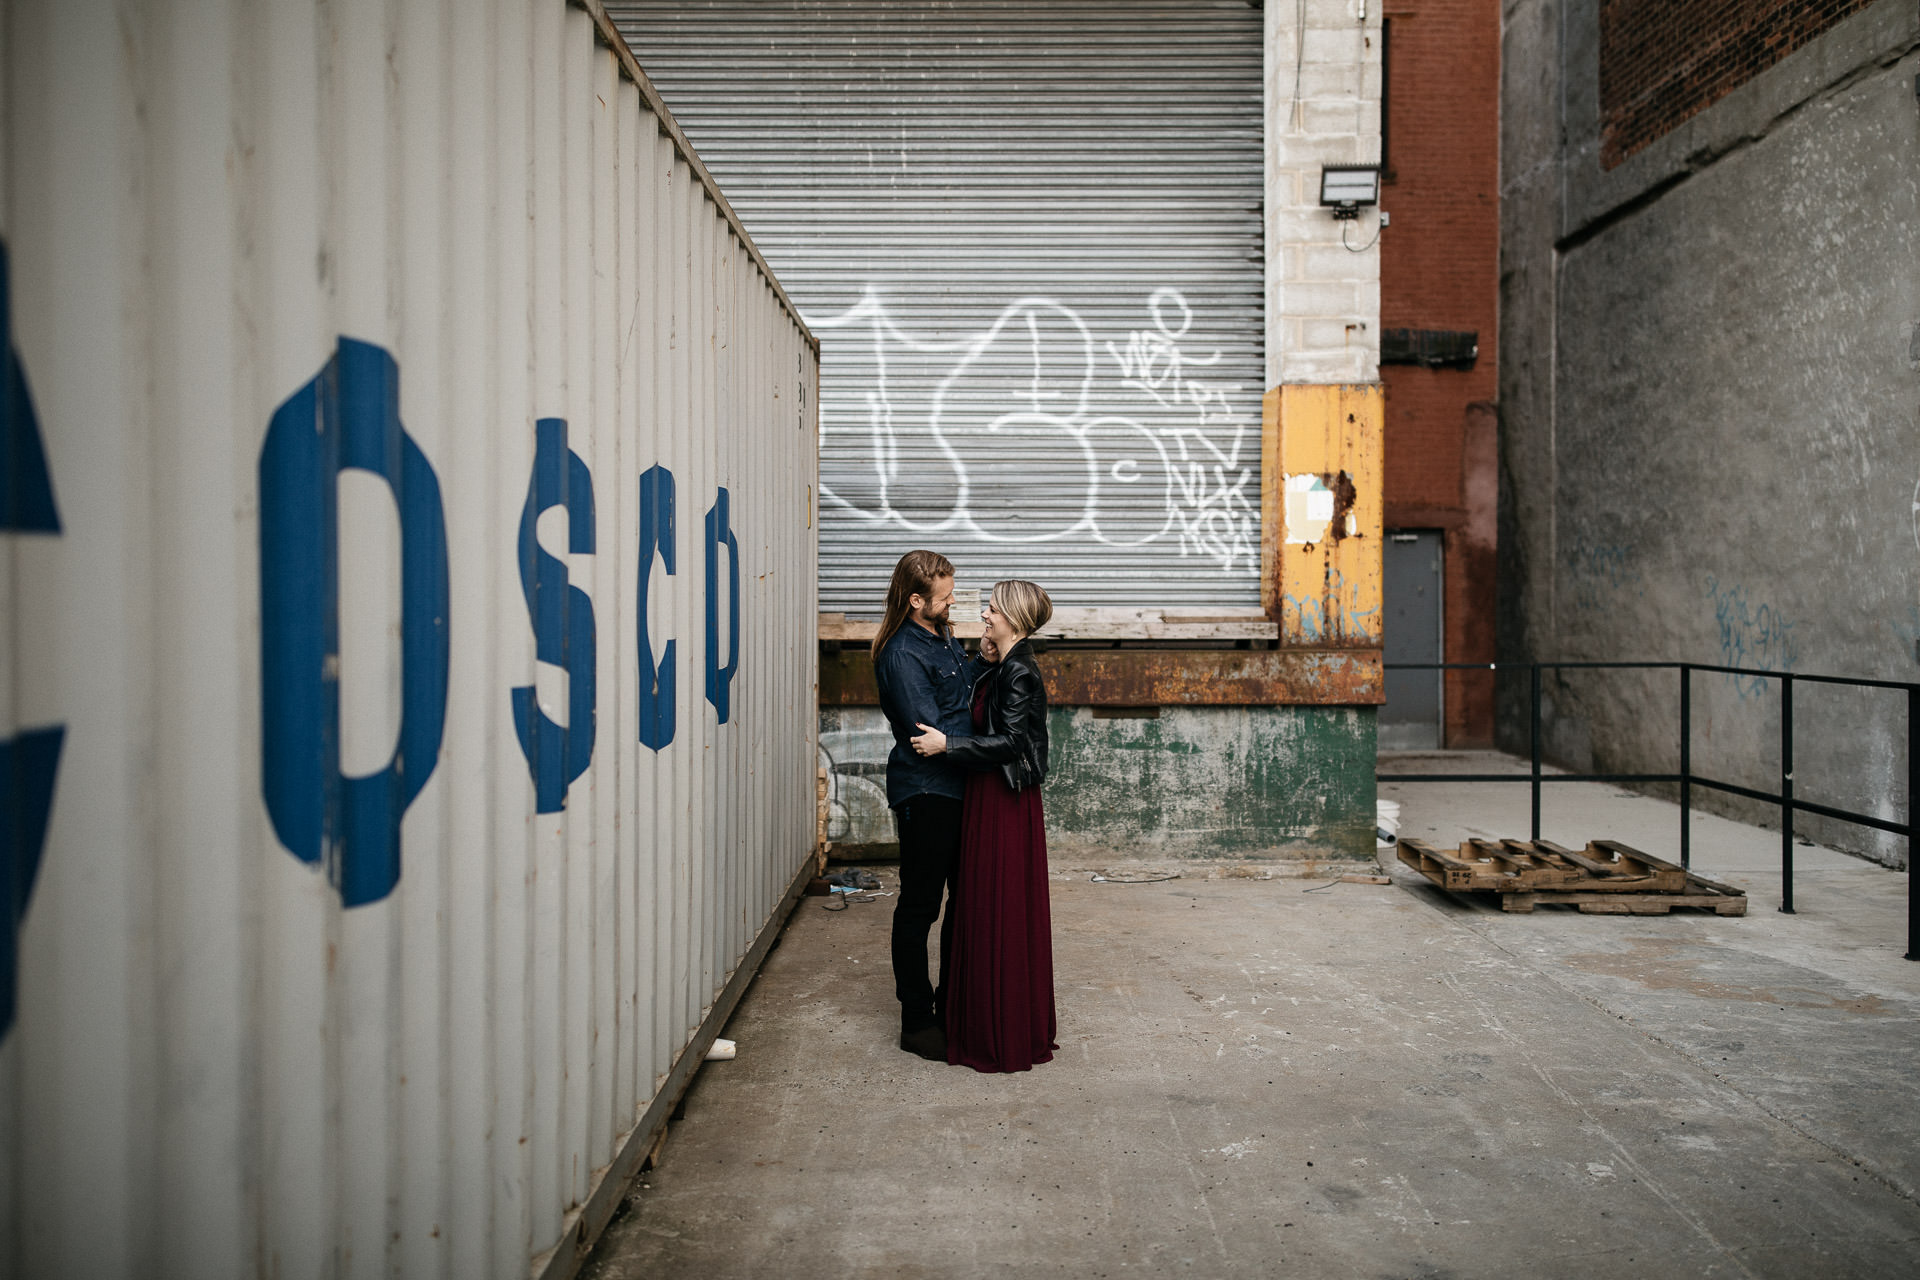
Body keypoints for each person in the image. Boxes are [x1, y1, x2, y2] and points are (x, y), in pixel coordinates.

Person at [910, 579, 1057, 1074]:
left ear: (1013, 617)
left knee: (997, 904)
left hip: (1003, 799)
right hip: (988, 795)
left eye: (992, 609)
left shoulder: (1019, 674)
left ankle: (998, 1026)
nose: (984, 614)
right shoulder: (1004, 664)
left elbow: (1012, 743)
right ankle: (981, 1015)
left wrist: (946, 746)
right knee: (982, 902)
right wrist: (985, 657)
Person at [871, 550, 982, 1061]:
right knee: (920, 906)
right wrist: (993, 739)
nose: (953, 600)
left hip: (957, 787)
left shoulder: (943, 636)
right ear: (916, 600)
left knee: (959, 902)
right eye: (944, 595)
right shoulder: (901, 654)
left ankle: (951, 1004)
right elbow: (927, 733)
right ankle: (916, 1021)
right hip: (926, 791)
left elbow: (961, 694)